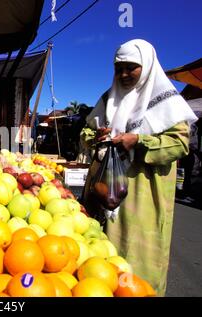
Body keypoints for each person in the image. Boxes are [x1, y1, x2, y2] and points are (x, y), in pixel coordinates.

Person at [80, 39, 198, 296]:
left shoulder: (166, 100)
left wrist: (139, 141)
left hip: (143, 198)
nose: (123, 74)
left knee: (137, 268)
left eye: (130, 67)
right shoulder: (108, 98)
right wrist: (96, 136)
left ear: (146, 66)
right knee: (99, 264)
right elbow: (85, 132)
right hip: (102, 192)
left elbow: (179, 144)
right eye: (118, 68)